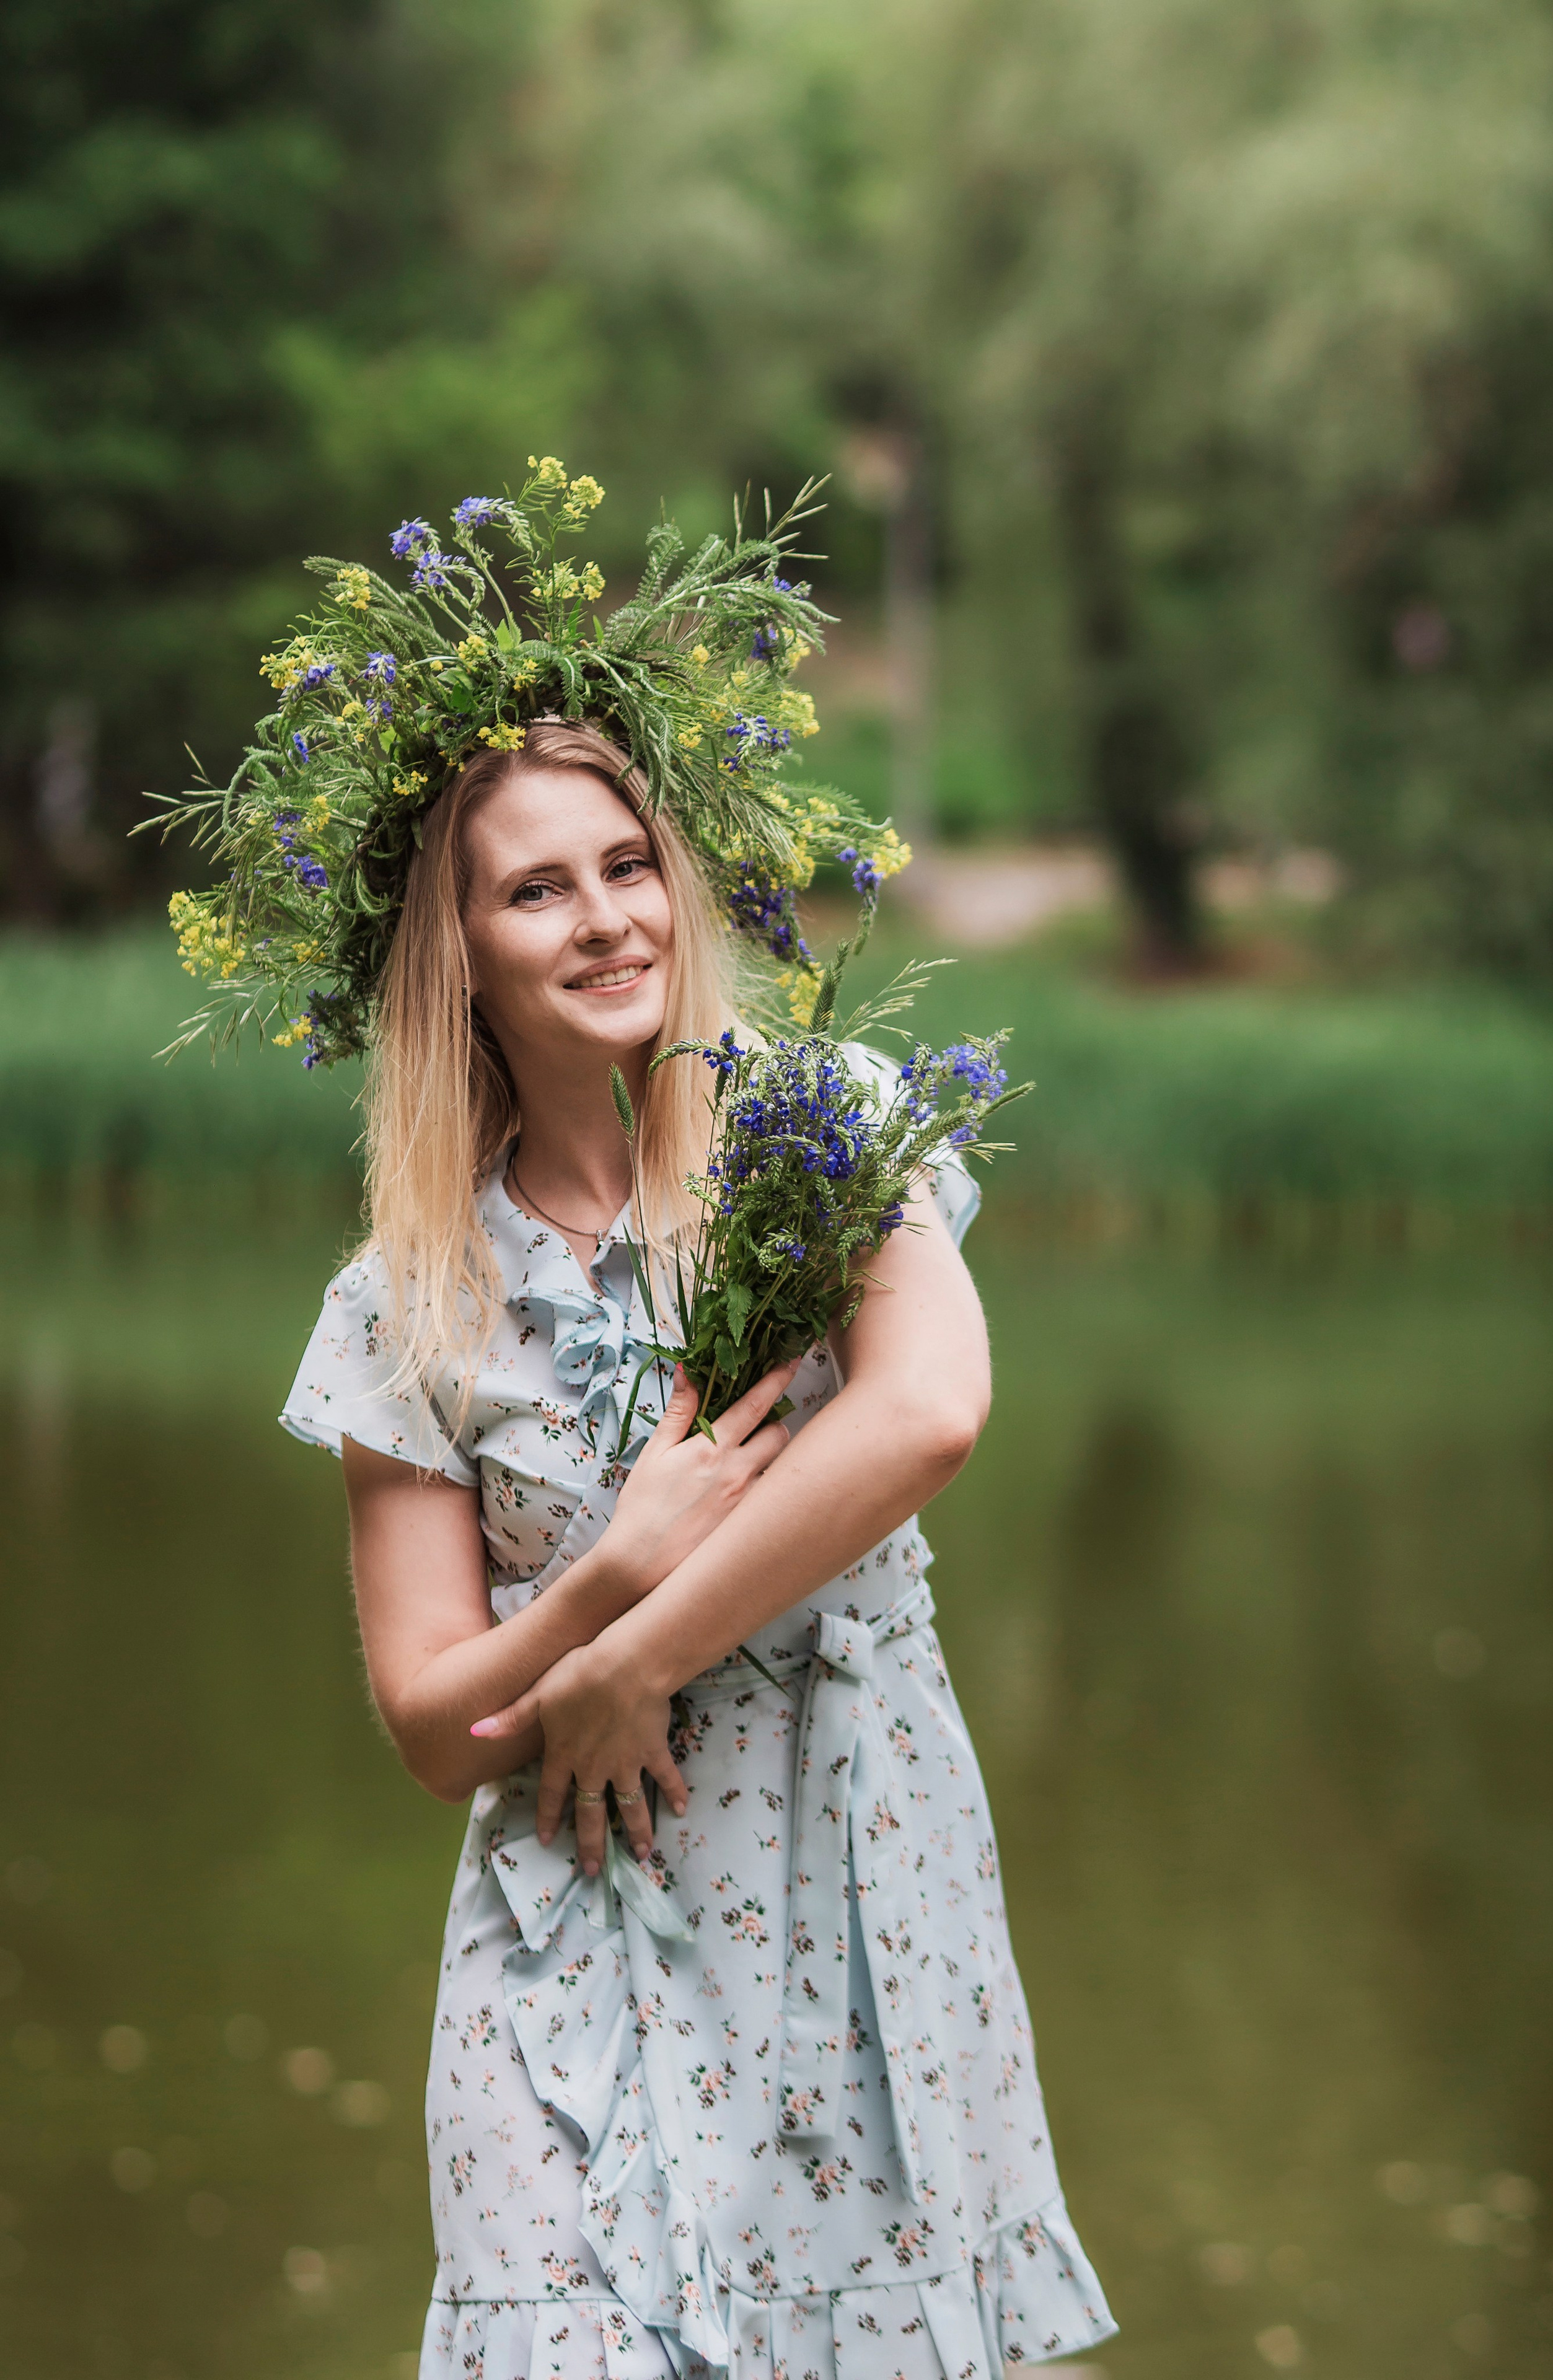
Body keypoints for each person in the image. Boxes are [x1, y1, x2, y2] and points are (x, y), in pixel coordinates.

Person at [280, 716, 1114, 2380]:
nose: (604, 917)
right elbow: (440, 1726)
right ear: (461, 963)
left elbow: (929, 1412)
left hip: (848, 1885)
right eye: (536, 890)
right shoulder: (405, 1300)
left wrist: (634, 1657)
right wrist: (599, 1589)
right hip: (564, 1927)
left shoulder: (814, 1131)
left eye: (627, 864)